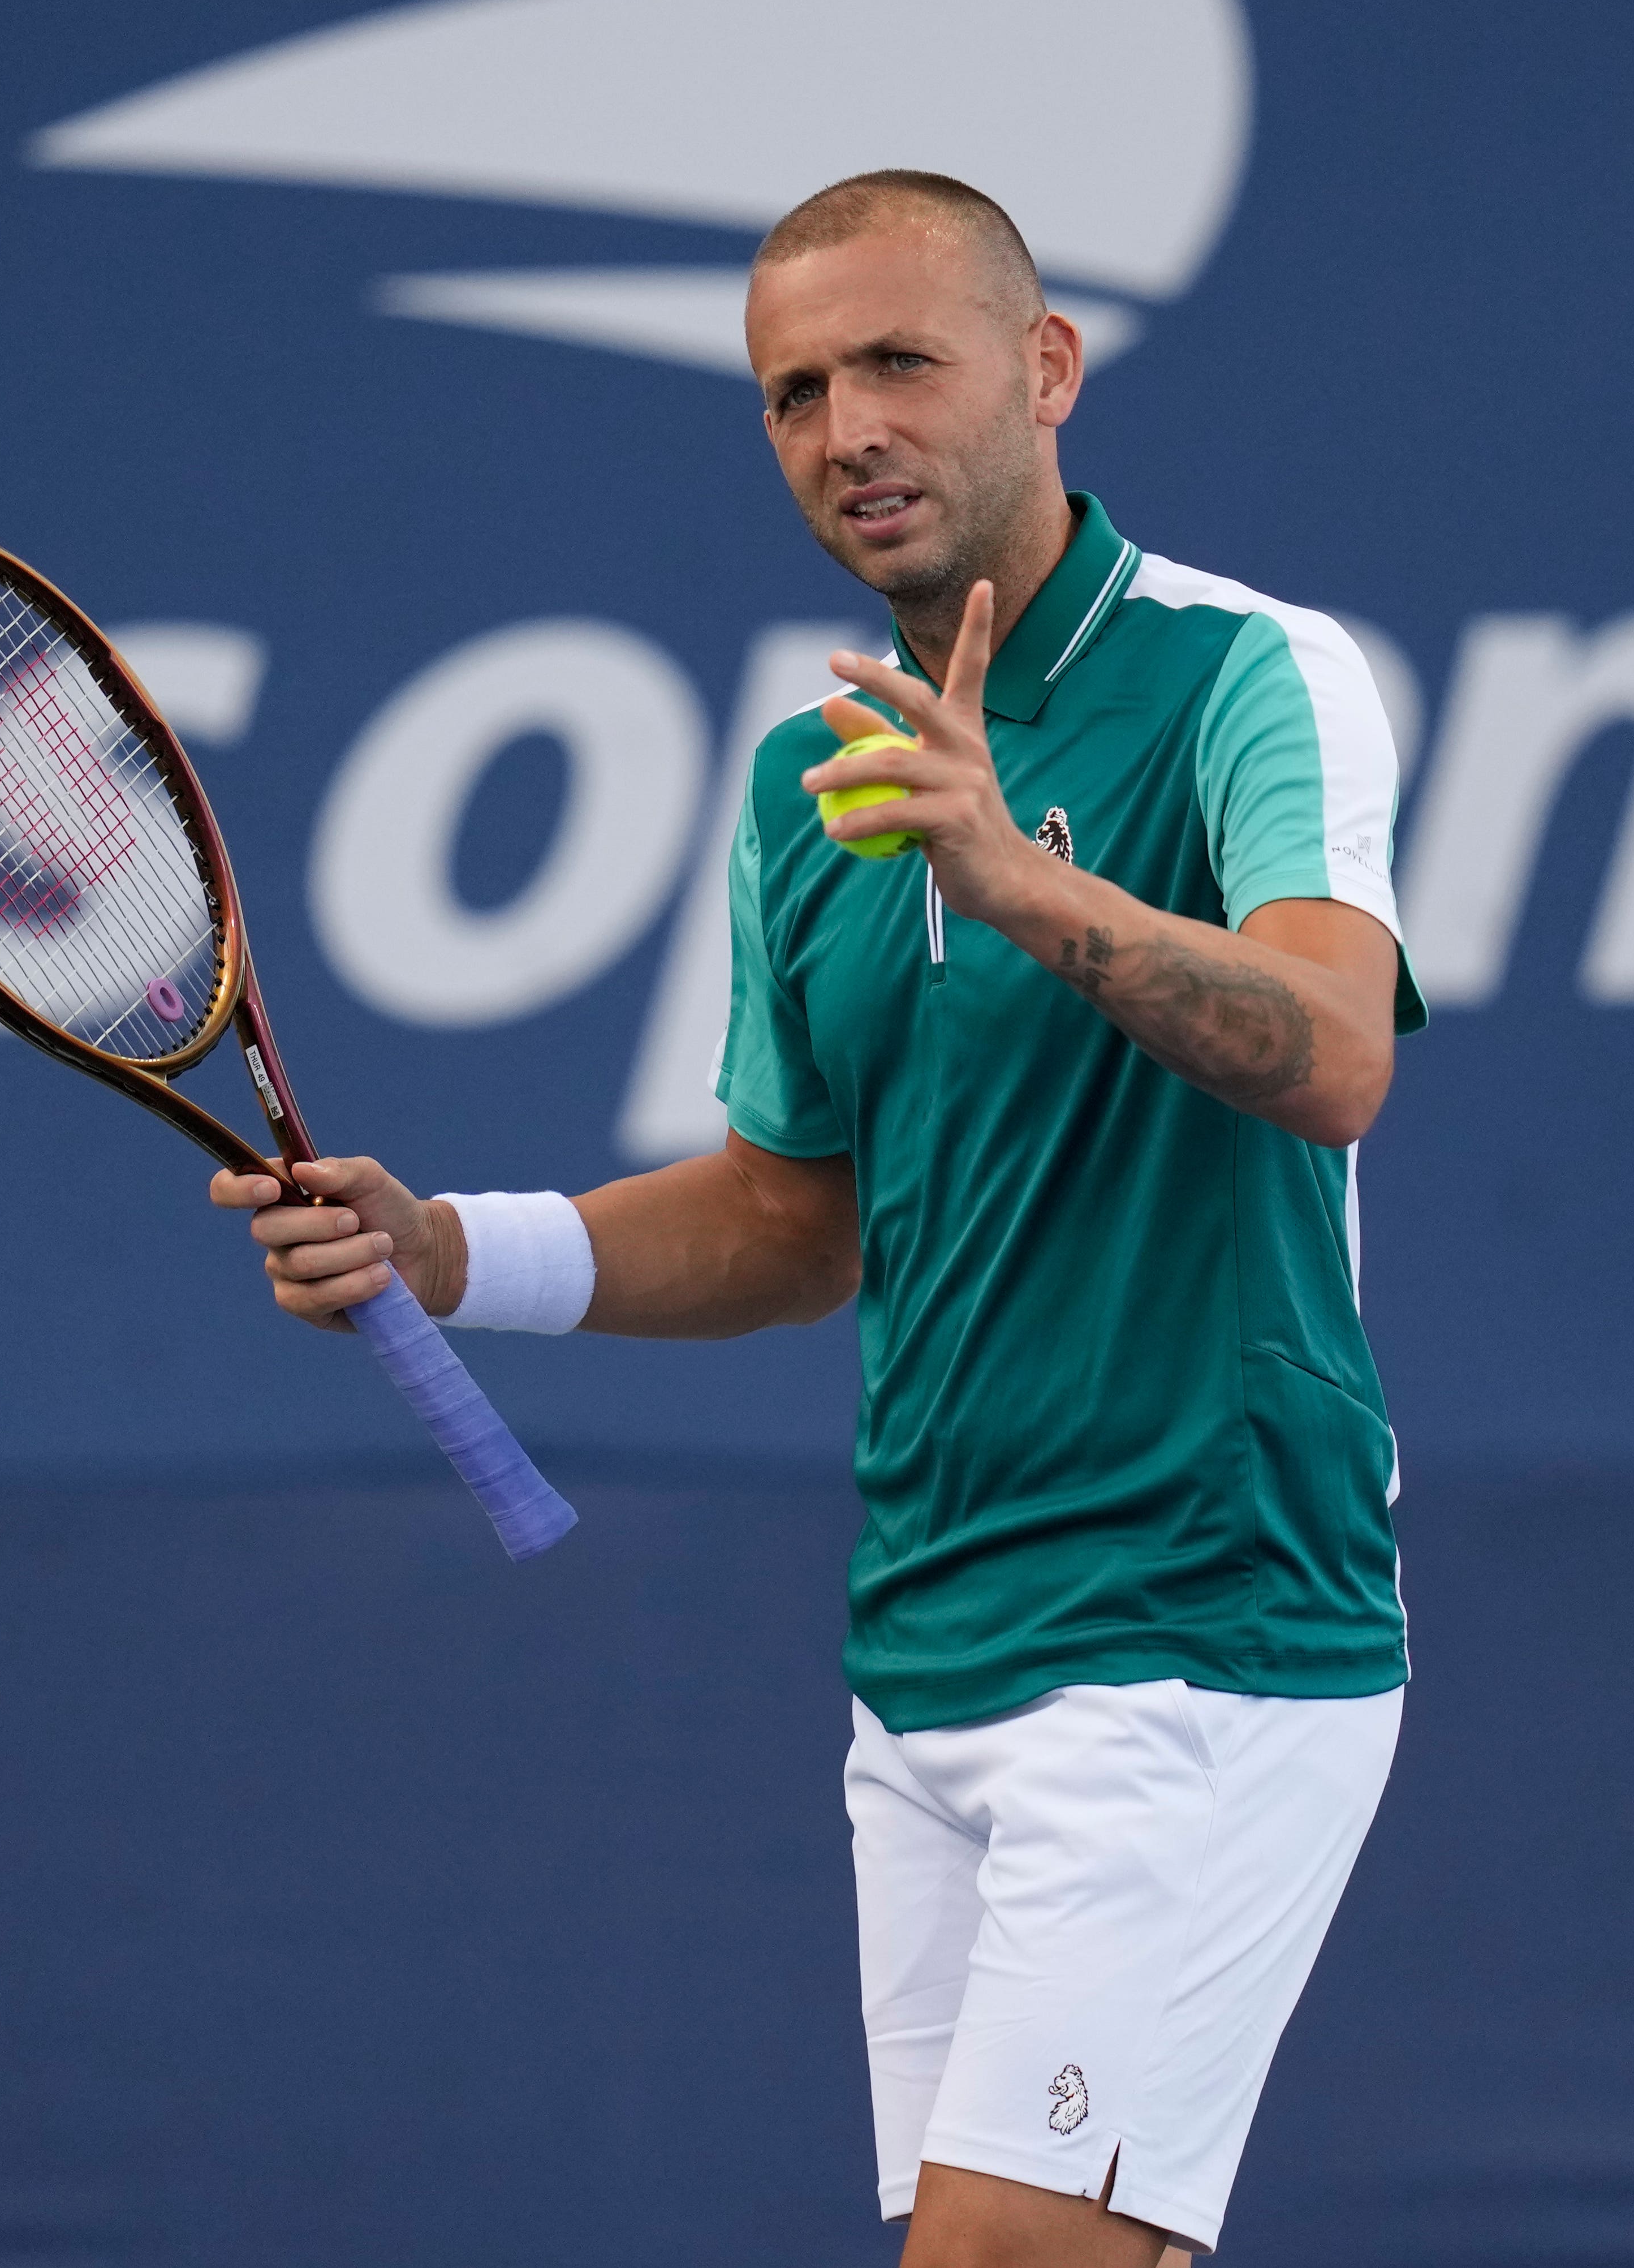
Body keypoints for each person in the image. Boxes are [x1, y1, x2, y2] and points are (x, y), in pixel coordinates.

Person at [214, 170, 1421, 2267]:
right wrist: (447, 1253)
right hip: (926, 1670)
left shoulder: (1253, 675)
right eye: (790, 391)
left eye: (896, 362)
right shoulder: (811, 782)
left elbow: (1332, 1051)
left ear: (1047, 372)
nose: (844, 425)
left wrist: (1023, 877)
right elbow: (799, 1216)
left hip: (1196, 1637)